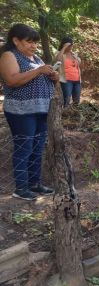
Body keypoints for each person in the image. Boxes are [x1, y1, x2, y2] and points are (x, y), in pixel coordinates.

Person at [0, 24, 59, 201]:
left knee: (37, 148)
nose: (33, 46)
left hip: (40, 109)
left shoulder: (36, 58)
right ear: (16, 40)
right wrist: (39, 70)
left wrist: (53, 76)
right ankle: (21, 188)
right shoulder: (8, 56)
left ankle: (35, 183)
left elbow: (39, 77)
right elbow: (12, 80)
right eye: (29, 42)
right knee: (24, 148)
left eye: (35, 42)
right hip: (21, 111)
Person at [55, 36, 81, 106]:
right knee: (66, 99)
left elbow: (79, 62)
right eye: (69, 45)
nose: (70, 47)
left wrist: (74, 55)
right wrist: (63, 48)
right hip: (66, 80)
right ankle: (65, 114)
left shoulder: (74, 54)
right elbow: (58, 60)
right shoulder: (60, 53)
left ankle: (75, 115)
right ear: (64, 44)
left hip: (77, 80)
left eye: (71, 45)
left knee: (77, 100)